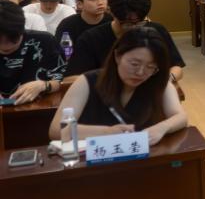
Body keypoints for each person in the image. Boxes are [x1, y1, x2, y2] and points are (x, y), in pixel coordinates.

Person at [49, 26, 187, 146]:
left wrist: (162, 128)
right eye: (134, 64)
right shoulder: (87, 82)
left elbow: (180, 117)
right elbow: (57, 130)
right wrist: (106, 132)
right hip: (96, 160)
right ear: (117, 56)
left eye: (151, 67)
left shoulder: (158, 81)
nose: (140, 72)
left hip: (142, 159)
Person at [67, 0, 186, 83]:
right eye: (127, 23)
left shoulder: (156, 31)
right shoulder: (91, 38)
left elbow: (176, 67)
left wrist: (168, 79)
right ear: (111, 12)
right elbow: (71, 78)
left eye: (139, 23)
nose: (133, 28)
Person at [0, 1, 63, 104]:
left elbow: (63, 79)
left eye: (12, 40)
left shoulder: (44, 41)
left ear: (22, 30)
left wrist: (44, 85)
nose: (5, 46)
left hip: (39, 107)